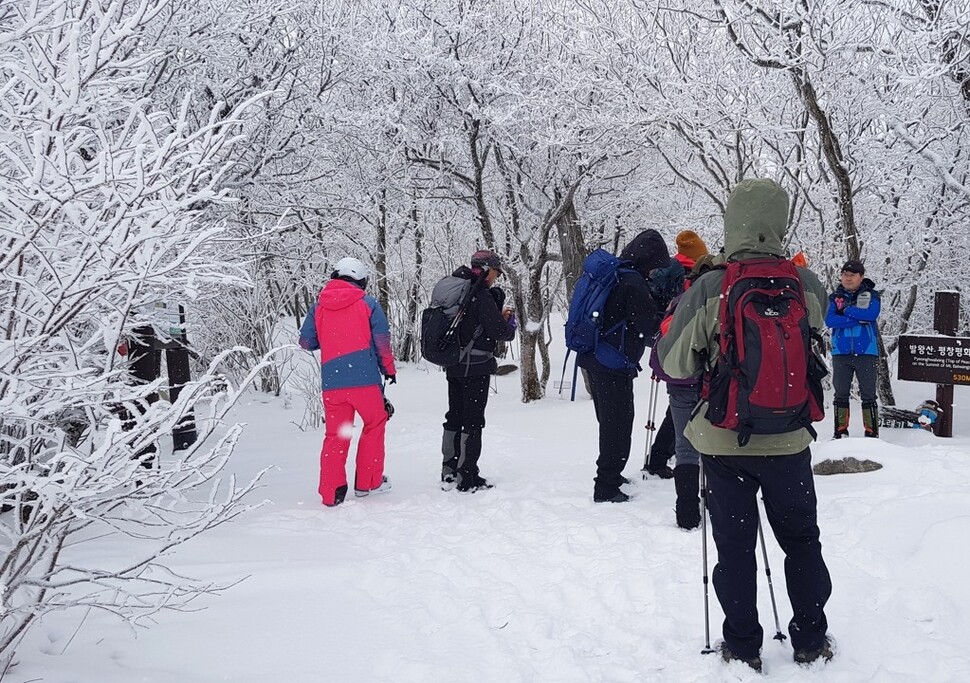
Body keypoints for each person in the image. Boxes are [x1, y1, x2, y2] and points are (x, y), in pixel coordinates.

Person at [657, 179, 833, 670]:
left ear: (732, 220)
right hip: (790, 439)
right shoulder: (806, 282)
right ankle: (810, 638)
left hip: (724, 439)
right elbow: (820, 328)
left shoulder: (712, 285)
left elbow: (675, 364)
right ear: (780, 223)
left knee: (734, 548)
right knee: (801, 541)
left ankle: (742, 643)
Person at [578, 229, 668, 503]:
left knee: (610, 421)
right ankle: (605, 486)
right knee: (617, 423)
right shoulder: (632, 282)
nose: (655, 273)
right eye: (655, 267)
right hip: (612, 362)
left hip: (597, 357)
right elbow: (649, 327)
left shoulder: (616, 274)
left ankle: (612, 475)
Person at [299, 257, 397, 507]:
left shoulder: (318, 307)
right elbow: (382, 341)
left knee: (337, 435)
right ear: (361, 280)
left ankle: (331, 493)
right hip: (365, 381)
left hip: (333, 384)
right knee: (374, 424)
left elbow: (306, 342)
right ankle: (368, 482)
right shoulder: (368, 304)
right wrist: (389, 369)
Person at [439, 250, 516, 493]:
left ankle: (449, 470)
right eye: (496, 272)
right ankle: (468, 476)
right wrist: (508, 322)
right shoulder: (479, 295)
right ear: (486, 269)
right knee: (473, 421)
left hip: (454, 365)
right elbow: (501, 332)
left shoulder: (455, 290)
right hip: (477, 367)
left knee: (454, 416)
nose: (496, 277)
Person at [644, 229, 708, 479]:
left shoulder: (665, 268)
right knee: (683, 403)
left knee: (677, 403)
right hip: (683, 343)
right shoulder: (691, 274)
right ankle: (662, 456)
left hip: (663, 341)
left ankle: (661, 455)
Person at [825, 259, 882, 438]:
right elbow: (830, 320)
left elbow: (871, 314)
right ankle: (840, 432)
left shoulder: (871, 295)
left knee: (868, 394)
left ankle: (871, 433)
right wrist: (857, 317)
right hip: (841, 351)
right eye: (844, 275)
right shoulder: (835, 297)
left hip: (866, 351)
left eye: (852, 275)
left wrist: (846, 310)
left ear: (861, 276)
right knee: (840, 393)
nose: (847, 278)